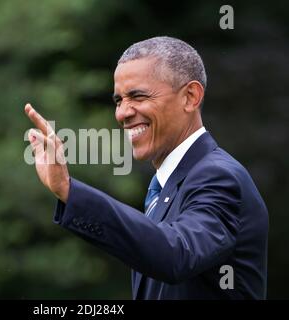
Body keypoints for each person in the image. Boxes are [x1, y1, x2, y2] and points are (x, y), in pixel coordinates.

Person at [24, 36, 268, 299]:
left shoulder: (218, 176)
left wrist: (70, 191)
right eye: (119, 100)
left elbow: (176, 253)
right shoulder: (164, 189)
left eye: (138, 96)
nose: (122, 113)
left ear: (190, 96)